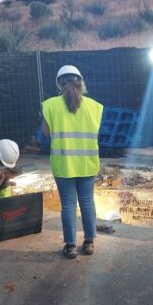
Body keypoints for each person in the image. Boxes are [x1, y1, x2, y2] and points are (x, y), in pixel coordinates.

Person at [42, 65, 103, 259]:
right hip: (87, 163)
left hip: (64, 165)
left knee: (68, 204)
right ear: (81, 82)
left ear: (59, 84)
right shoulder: (95, 106)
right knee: (87, 202)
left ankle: (70, 246)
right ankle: (89, 242)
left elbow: (45, 133)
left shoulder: (50, 105)